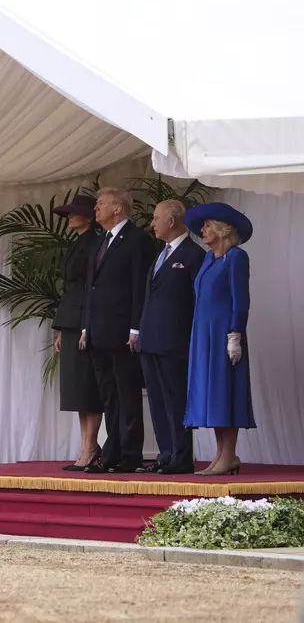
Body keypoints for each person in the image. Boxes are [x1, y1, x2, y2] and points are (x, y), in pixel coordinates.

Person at [79, 188, 155, 474]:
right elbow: (91, 288)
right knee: (109, 396)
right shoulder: (102, 241)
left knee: (127, 393)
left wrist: (136, 327)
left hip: (123, 331)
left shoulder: (137, 240)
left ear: (118, 208)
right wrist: (86, 326)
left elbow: (139, 287)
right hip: (98, 330)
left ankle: (130, 454)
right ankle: (112, 453)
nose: (95, 208)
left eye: (101, 203)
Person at [184, 203, 255, 476]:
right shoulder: (208, 258)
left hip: (224, 333)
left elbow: (241, 300)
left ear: (222, 229)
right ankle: (221, 455)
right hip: (204, 334)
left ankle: (229, 455)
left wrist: (235, 334)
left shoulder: (236, 257)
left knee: (226, 391)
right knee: (211, 395)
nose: (202, 231)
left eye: (207, 226)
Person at [136, 200, 205, 475]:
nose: (152, 223)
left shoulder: (194, 254)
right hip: (151, 339)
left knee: (176, 399)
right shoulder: (161, 254)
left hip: (175, 341)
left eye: (156, 218)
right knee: (157, 400)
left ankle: (181, 456)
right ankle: (165, 454)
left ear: (172, 221)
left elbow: (198, 301)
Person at [51, 194, 103, 471]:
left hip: (86, 320)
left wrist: (86, 324)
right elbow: (69, 290)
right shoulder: (76, 244)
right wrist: (61, 327)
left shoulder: (96, 244)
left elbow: (92, 289)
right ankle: (85, 446)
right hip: (71, 320)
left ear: (89, 217)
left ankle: (91, 447)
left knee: (88, 386)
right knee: (76, 390)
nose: (70, 217)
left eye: (75, 212)